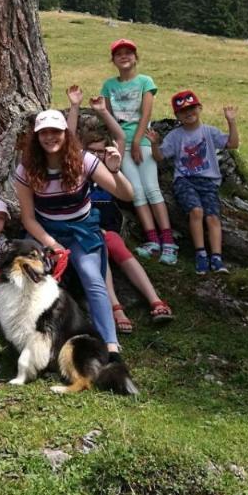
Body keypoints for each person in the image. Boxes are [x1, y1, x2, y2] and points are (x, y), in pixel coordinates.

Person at [13, 106, 132, 359]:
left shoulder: (84, 160)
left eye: (56, 131)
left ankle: (110, 344)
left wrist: (114, 170)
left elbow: (126, 195)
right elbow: (28, 218)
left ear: (66, 133)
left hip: (82, 231)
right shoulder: (26, 169)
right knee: (34, 280)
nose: (50, 137)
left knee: (92, 277)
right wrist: (51, 244)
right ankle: (37, 342)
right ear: (36, 137)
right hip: (46, 232)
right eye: (44, 132)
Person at [66, 87, 174, 331]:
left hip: (109, 224)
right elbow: (70, 138)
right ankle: (116, 306)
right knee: (101, 246)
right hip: (88, 227)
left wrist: (103, 112)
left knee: (115, 246)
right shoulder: (80, 167)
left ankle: (155, 299)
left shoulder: (112, 166)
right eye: (91, 151)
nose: (96, 155)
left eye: (100, 151)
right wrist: (74, 106)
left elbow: (120, 137)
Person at [100, 39, 176, 263]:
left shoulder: (145, 82)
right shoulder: (108, 86)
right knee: (137, 192)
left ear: (136, 57)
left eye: (128, 53)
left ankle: (169, 241)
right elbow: (110, 117)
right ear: (113, 60)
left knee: (152, 189)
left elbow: (146, 113)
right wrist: (119, 143)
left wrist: (137, 141)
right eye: (119, 54)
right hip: (121, 144)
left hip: (142, 141)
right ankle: (152, 240)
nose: (124, 57)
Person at [152, 90, 240, 275]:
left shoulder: (209, 131)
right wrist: (154, 143)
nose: (188, 113)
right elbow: (160, 156)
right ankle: (200, 253)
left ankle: (216, 257)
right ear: (177, 115)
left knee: (213, 217)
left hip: (209, 182)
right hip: (185, 180)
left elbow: (232, 144)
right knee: (196, 211)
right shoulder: (175, 136)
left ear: (199, 108)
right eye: (183, 111)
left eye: (192, 108)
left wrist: (231, 122)